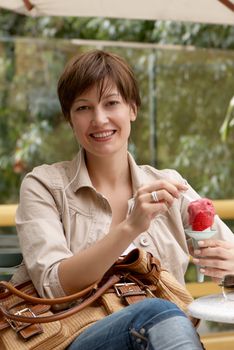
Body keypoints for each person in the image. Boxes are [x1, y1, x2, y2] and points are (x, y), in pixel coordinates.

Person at [13, 50, 234, 349]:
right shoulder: (43, 186)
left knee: (163, 318)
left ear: (133, 108)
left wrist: (230, 263)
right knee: (157, 311)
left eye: (111, 103)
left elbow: (224, 251)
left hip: (165, 338)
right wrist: (130, 227)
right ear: (70, 118)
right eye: (83, 107)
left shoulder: (170, 185)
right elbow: (53, 285)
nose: (99, 119)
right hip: (75, 338)